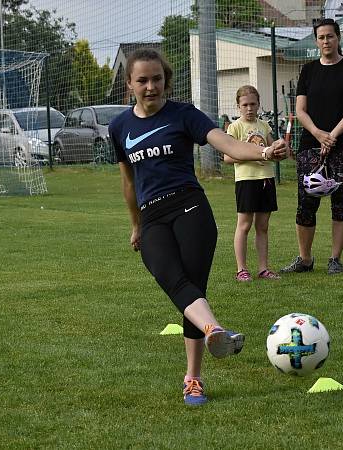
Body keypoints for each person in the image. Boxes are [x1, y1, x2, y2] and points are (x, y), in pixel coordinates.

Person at [110, 48, 289, 406]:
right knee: (174, 282)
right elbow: (129, 182)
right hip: (152, 218)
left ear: (166, 80)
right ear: (129, 84)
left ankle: (194, 378)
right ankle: (215, 330)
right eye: (142, 80)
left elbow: (226, 144)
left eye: (157, 79)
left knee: (191, 288)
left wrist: (265, 153)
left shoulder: (183, 114)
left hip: (190, 208)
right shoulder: (119, 127)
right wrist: (135, 226)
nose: (151, 87)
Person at [280, 17, 343, 276]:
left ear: (338, 38)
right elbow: (300, 110)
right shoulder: (308, 70)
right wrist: (319, 134)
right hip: (311, 144)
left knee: (341, 201)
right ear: (316, 41)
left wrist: (333, 136)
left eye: (330, 36)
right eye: (321, 37)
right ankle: (305, 259)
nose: (326, 41)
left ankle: (335, 259)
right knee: (306, 201)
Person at [223, 85, 281, 282]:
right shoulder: (235, 127)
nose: (249, 108)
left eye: (253, 104)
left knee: (263, 226)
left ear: (258, 104)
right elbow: (228, 157)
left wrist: (279, 149)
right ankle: (242, 269)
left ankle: (263, 268)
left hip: (266, 179)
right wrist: (253, 156)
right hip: (246, 181)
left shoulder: (265, 126)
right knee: (244, 225)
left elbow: (273, 150)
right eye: (245, 104)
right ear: (238, 106)